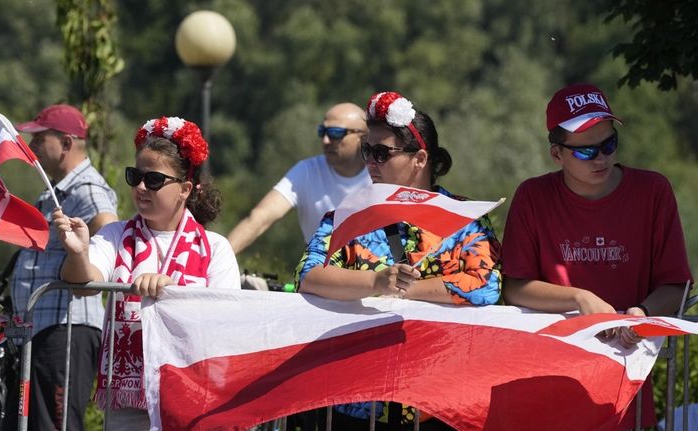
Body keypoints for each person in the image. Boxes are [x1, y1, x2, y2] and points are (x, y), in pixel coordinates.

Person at [295, 92, 501, 430]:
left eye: (381, 153)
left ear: (420, 159)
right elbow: (309, 275)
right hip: (357, 408)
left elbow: (485, 285)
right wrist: (376, 283)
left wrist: (407, 289)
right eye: (367, 151)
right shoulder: (346, 217)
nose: (370, 163)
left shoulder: (465, 218)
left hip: (440, 408)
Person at [500, 83, 693, 430]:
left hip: (622, 373)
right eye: (586, 151)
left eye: (609, 145)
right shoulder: (532, 196)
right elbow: (514, 287)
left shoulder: (653, 192)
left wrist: (642, 314)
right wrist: (579, 297)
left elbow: (676, 284)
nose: (601, 158)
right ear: (556, 154)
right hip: (549, 377)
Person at [53, 116, 241, 429]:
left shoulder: (215, 248)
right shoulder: (114, 235)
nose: (141, 187)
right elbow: (82, 284)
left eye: (153, 179)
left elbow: (223, 323)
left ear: (184, 189)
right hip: (129, 403)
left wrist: (173, 294)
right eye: (135, 176)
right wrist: (77, 252)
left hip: (193, 397)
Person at [4, 104, 118, 431]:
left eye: (41, 138)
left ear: (67, 143)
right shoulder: (60, 189)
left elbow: (109, 229)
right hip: (49, 328)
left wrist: (87, 257)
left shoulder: (86, 188)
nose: (34, 145)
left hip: (67, 328)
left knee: (55, 425)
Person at [227, 102, 372, 253]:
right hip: (321, 273)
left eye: (335, 133)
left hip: (373, 273)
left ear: (363, 137)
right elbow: (260, 217)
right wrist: (218, 261)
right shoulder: (307, 171)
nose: (326, 140)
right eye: (322, 132)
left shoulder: (382, 174)